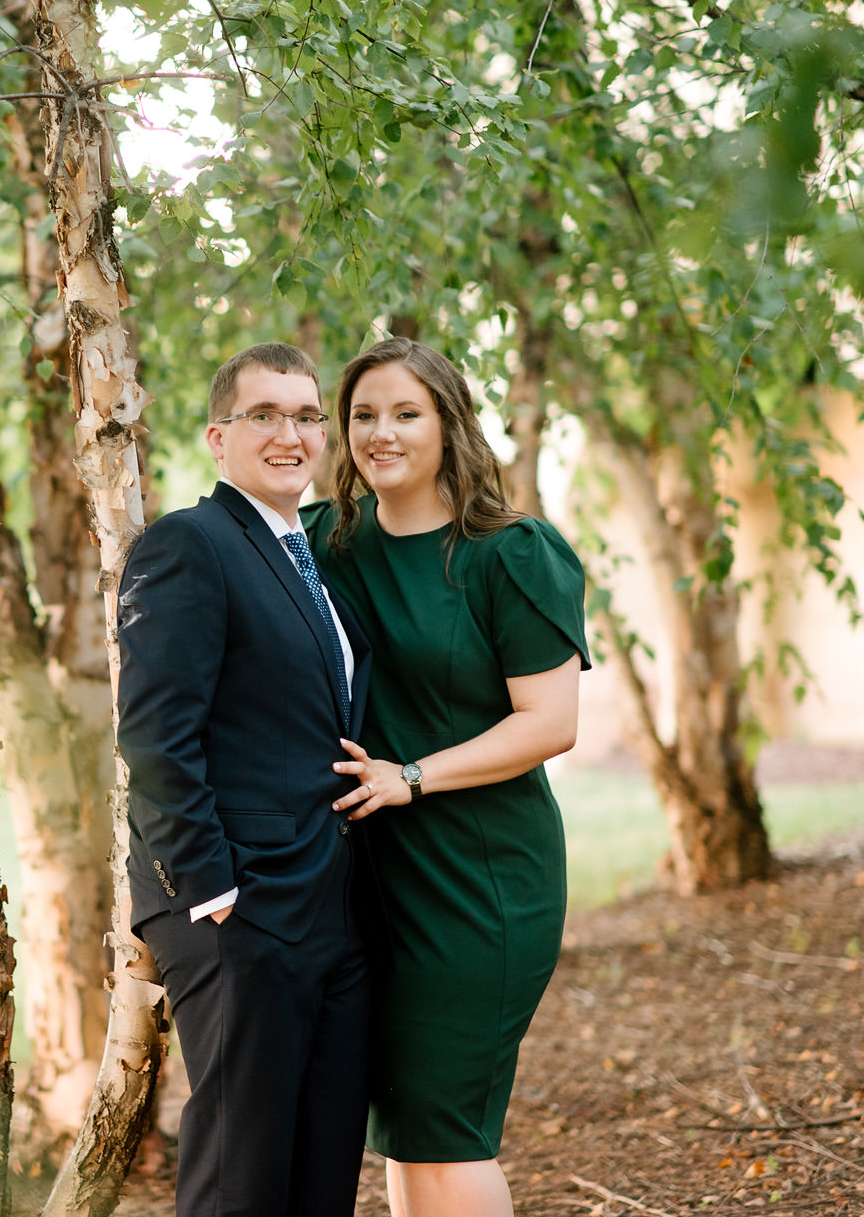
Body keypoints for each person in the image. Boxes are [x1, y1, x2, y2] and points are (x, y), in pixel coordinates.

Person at [301, 336, 589, 1217]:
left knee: (447, 1121)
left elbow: (551, 723)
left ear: (449, 424)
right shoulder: (324, 542)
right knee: (407, 1127)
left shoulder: (510, 552)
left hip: (482, 877)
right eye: (362, 415)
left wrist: (412, 776)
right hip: (372, 881)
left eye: (405, 413)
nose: (380, 432)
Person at [118, 341, 374, 1217]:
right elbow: (154, 733)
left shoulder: (314, 560)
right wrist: (211, 889)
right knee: (242, 1171)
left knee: (322, 1164)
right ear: (218, 437)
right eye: (265, 414)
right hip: (241, 906)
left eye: (307, 416)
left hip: (329, 901)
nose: (291, 433)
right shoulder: (190, 544)